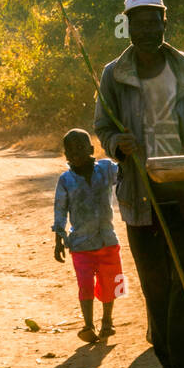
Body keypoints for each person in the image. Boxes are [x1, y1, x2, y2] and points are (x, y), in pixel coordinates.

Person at [94, 0, 184, 368]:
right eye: (138, 23)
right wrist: (117, 143)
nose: (146, 30)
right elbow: (103, 127)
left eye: (153, 22)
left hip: (181, 190)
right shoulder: (114, 74)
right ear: (126, 26)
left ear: (165, 21)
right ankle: (167, 364)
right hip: (139, 194)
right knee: (154, 285)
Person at [52, 128, 123, 344]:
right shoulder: (66, 180)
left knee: (112, 282)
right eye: (70, 150)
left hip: (107, 239)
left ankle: (108, 321)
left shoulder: (106, 169)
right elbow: (60, 209)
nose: (76, 153)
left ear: (92, 149)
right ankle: (88, 324)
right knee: (85, 285)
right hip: (80, 244)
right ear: (65, 154)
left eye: (81, 148)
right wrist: (59, 238)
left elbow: (126, 172)